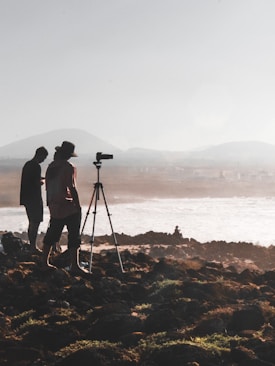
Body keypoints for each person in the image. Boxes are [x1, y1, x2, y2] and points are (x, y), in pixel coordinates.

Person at [42, 141, 86, 274]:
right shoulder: (68, 167)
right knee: (74, 236)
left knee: (52, 234)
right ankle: (75, 266)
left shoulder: (51, 167)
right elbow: (72, 188)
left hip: (54, 206)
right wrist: (77, 206)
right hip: (68, 206)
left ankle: (44, 262)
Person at [20, 146, 48, 253]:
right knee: (35, 222)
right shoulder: (36, 166)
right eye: (44, 158)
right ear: (40, 155)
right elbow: (36, 182)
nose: (43, 160)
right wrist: (43, 182)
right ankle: (33, 247)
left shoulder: (28, 164)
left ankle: (32, 245)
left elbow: (30, 179)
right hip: (34, 198)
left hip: (27, 198)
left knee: (32, 222)